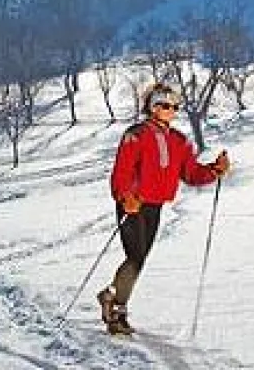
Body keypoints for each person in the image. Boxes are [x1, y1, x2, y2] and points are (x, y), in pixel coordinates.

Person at [97, 82, 230, 335]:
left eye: (175, 107)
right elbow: (122, 170)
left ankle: (110, 296)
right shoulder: (136, 134)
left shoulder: (179, 140)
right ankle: (116, 311)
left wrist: (214, 169)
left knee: (140, 259)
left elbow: (191, 173)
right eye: (165, 105)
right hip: (134, 204)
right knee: (135, 256)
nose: (171, 110)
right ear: (152, 106)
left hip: (155, 206)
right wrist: (125, 197)